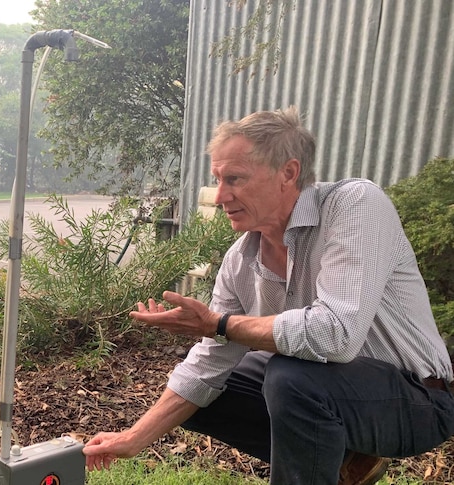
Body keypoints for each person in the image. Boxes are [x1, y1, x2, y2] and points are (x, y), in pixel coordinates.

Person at [82, 107, 454, 485]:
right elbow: (207, 365)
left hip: (418, 400)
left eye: (235, 179)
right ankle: (340, 457)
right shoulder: (240, 259)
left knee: (289, 376)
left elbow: (336, 335)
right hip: (328, 392)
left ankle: (333, 456)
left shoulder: (355, 206)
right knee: (200, 392)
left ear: (288, 173)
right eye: (218, 179)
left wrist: (218, 324)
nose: (220, 195)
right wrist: (132, 439)